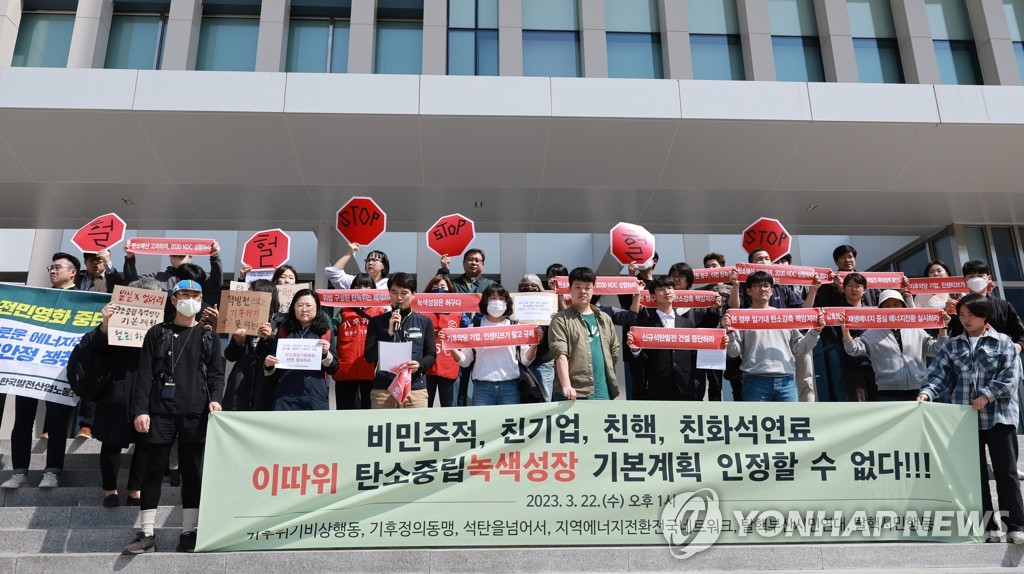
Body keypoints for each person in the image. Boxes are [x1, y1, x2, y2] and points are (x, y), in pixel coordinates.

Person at [123, 279, 224, 554]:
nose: (190, 299)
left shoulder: (208, 336)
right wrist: (140, 410)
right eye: (184, 294)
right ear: (173, 299)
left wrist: (215, 400)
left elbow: (216, 373)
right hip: (160, 412)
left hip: (195, 412)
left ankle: (189, 531)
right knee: (154, 469)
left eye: (196, 295)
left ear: (202, 299)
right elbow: (144, 374)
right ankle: (146, 533)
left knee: (192, 472)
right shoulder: (157, 333)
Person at [918, 294, 1024, 544]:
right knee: (974, 475)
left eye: (971, 315)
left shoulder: (1004, 342)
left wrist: (987, 395)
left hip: (999, 416)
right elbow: (938, 375)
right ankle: (987, 527)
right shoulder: (952, 345)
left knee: (1006, 472)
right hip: (964, 421)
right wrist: (927, 392)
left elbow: (1011, 376)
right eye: (962, 315)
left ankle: (1016, 526)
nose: (965, 320)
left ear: (985, 316)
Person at [70, 278, 165, 507]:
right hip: (117, 389)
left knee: (145, 444)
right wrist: (105, 324)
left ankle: (135, 490)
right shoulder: (114, 319)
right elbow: (95, 347)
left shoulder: (162, 326)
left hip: (149, 391)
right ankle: (109, 489)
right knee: (112, 442)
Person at [0, 252, 81, 490]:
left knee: (56, 421)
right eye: (51, 267)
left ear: (72, 272)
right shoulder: (37, 298)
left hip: (60, 371)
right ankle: (19, 472)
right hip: (28, 369)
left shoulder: (82, 300)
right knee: (22, 420)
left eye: (58, 267)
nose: (53, 271)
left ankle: (52, 471)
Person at [722, 271, 824, 402]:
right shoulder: (742, 317)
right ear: (748, 291)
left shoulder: (784, 316)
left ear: (771, 291)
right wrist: (729, 333)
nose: (763, 289)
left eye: (766, 286)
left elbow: (800, 348)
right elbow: (734, 352)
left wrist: (815, 331)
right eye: (757, 285)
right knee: (757, 421)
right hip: (755, 380)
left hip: (786, 381)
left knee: (788, 421)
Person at [445, 284, 541, 406]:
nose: (497, 303)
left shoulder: (515, 327)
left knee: (509, 423)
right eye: (493, 298)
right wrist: (450, 345)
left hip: (510, 387)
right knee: (483, 424)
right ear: (485, 302)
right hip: (482, 388)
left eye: (502, 299)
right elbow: (465, 361)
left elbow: (525, 360)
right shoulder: (474, 328)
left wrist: (534, 343)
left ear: (507, 303)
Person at [627, 275, 720, 401]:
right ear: (653, 296)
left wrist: (718, 343)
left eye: (670, 288)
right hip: (658, 389)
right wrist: (636, 350)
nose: (667, 292)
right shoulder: (645, 325)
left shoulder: (688, 324)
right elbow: (643, 363)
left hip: (687, 389)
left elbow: (695, 357)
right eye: (661, 289)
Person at [842, 289, 947, 399]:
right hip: (888, 393)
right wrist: (845, 331)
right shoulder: (872, 332)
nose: (892, 308)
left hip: (920, 390)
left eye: (896, 304)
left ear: (904, 307)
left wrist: (943, 327)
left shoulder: (915, 328)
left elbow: (936, 350)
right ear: (880, 309)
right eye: (887, 305)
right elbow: (853, 350)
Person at [364, 273, 437, 409]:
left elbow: (431, 355)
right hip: (383, 390)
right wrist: (388, 334)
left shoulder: (424, 322)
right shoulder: (377, 322)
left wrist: (420, 364)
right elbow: (369, 356)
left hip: (415, 389)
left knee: (416, 429)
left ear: (413, 294)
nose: (399, 298)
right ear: (389, 293)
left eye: (404, 293)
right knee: (383, 429)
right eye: (394, 292)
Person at [548, 267, 620, 401]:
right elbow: (560, 354)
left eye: (587, 287)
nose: (583, 291)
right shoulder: (560, 319)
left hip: (603, 391)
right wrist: (567, 386)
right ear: (570, 289)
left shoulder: (604, 318)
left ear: (594, 289)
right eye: (577, 287)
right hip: (573, 392)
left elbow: (614, 351)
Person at [263, 289, 338, 411]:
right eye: (300, 305)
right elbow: (273, 369)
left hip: (315, 396)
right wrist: (268, 365)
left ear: (317, 307)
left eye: (308, 305)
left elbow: (334, 369)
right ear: (293, 308)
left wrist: (326, 354)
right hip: (285, 396)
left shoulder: (325, 332)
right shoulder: (283, 331)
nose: (304, 309)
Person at [221, 280, 278, 411]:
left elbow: (280, 356)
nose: (247, 297)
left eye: (251, 293)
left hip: (265, 387)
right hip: (240, 386)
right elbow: (229, 355)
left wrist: (269, 338)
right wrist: (238, 341)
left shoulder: (279, 323)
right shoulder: (243, 321)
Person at [332, 274, 385, 410]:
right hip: (346, 370)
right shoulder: (343, 312)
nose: (362, 289)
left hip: (372, 371)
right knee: (346, 412)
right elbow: (328, 330)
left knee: (371, 412)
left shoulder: (381, 312)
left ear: (374, 289)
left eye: (366, 286)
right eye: (358, 286)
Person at [822, 273, 878, 402]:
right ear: (844, 289)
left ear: (864, 290)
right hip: (851, 365)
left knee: (878, 403)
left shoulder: (873, 312)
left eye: (858, 286)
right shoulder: (836, 311)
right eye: (850, 286)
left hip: (875, 364)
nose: (854, 289)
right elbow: (831, 337)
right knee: (858, 404)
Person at [123, 241, 223, 308]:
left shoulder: (199, 275)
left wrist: (215, 257)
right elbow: (133, 283)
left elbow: (216, 283)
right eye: (174, 254)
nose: (177, 257)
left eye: (181, 255)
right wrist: (130, 258)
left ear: (190, 256)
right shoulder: (157, 277)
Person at [618, 253, 658, 400]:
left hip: (658, 340)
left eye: (646, 257)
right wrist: (631, 275)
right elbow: (626, 303)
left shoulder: (661, 284)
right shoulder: (632, 280)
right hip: (636, 341)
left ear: (654, 261)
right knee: (638, 382)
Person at [422, 274, 460, 407]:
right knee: (424, 407)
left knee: (449, 408)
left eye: (443, 287)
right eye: (435, 287)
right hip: (426, 366)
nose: (439, 289)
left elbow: (467, 334)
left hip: (449, 365)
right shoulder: (420, 312)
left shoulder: (459, 313)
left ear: (450, 291)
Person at [518, 274, 555, 402]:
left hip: (543, 362)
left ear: (540, 288)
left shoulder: (549, 308)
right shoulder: (514, 309)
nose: (529, 288)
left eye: (534, 286)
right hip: (520, 364)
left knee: (544, 400)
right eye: (525, 286)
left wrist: (553, 320)